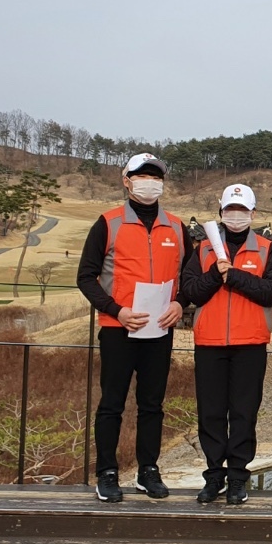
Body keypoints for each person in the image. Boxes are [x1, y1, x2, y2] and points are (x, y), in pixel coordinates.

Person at [77, 152, 190, 503]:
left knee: (152, 404)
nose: (149, 182)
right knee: (112, 403)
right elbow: (86, 277)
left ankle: (148, 470)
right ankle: (107, 472)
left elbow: (190, 277)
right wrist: (116, 310)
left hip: (160, 329)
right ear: (127, 181)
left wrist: (180, 303)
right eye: (142, 176)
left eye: (156, 176)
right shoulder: (108, 223)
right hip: (118, 327)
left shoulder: (176, 227)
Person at [178, 184, 272, 505]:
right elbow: (190, 290)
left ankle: (238, 476)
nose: (235, 216)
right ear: (221, 212)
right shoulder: (203, 249)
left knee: (243, 413)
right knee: (210, 413)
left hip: (250, 342)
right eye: (230, 210)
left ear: (252, 213)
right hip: (209, 342)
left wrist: (234, 276)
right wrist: (215, 273)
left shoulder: (267, 249)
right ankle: (214, 476)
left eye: (242, 210)